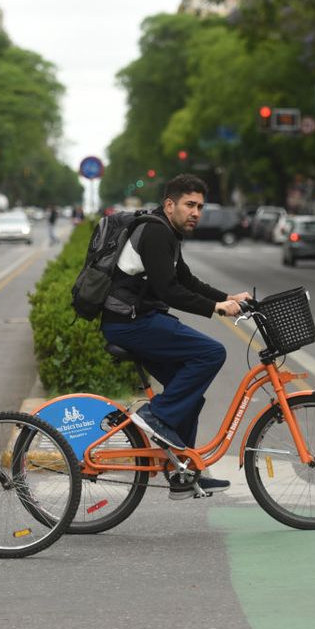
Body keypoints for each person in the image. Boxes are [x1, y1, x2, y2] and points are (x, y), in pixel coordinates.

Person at [101, 174, 251, 500]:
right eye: (189, 205)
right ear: (170, 205)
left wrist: (229, 296)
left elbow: (187, 280)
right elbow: (171, 291)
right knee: (212, 353)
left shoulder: (166, 232)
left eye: (200, 206)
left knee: (189, 394)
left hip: (138, 320)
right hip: (130, 322)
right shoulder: (156, 233)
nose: (196, 212)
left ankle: (183, 472)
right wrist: (217, 308)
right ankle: (156, 416)